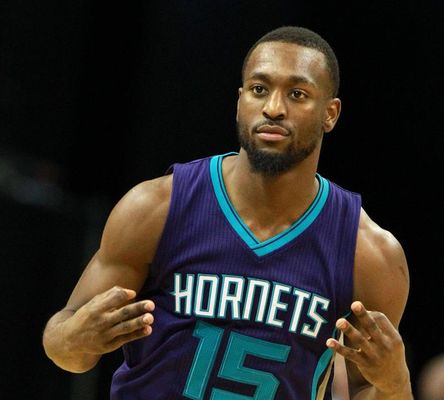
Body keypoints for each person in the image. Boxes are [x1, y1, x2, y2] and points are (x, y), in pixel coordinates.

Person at [42, 26, 413, 399]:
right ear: (240, 101)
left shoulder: (369, 253)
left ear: (330, 114)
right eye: (259, 89)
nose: (273, 108)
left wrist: (395, 384)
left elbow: (372, 389)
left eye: (297, 94)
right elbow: (65, 346)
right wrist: (72, 340)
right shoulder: (155, 208)